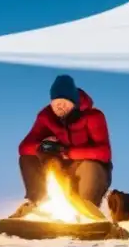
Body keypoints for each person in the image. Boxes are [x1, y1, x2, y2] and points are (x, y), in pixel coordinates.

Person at [13, 74, 113, 213]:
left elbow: (104, 153)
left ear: (74, 102)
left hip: (85, 169)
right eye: (55, 103)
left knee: (91, 166)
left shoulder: (93, 116)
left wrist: (67, 152)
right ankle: (39, 203)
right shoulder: (46, 116)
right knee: (28, 158)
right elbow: (23, 147)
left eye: (64, 102)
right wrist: (42, 147)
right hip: (59, 168)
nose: (59, 106)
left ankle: (85, 208)